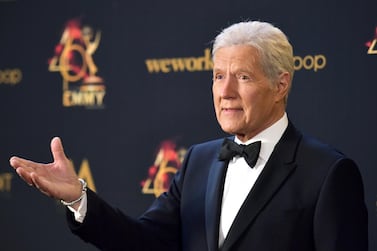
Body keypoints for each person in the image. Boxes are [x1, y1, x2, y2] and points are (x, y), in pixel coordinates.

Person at [9, 21, 368, 251]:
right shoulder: (198, 161)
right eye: (217, 76)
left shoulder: (328, 174)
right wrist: (78, 198)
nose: (225, 91)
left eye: (242, 77)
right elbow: (144, 243)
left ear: (280, 84)